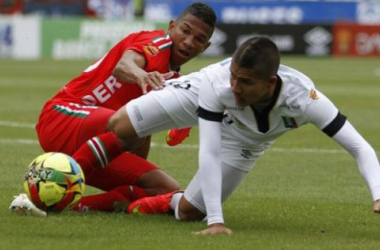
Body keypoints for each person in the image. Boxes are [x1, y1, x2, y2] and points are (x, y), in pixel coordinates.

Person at [104, 36, 380, 235]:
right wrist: (216, 222)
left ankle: (168, 198)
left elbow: (359, 147)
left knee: (188, 213)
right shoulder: (220, 83)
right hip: (199, 94)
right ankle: (190, 118)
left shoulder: (305, 99)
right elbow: (209, 151)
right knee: (119, 125)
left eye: (246, 81)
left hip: (245, 138)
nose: (235, 86)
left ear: (270, 83)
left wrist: (378, 195)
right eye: (234, 76)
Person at [10, 2, 216, 213]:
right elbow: (123, 66)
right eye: (185, 31)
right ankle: (52, 184)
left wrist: (134, 168)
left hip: (94, 142)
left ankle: (72, 207)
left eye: (199, 39)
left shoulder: (174, 78)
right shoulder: (156, 43)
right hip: (61, 118)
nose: (189, 42)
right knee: (133, 123)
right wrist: (141, 75)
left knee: (164, 188)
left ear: (206, 47)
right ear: (172, 27)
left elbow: (146, 126)